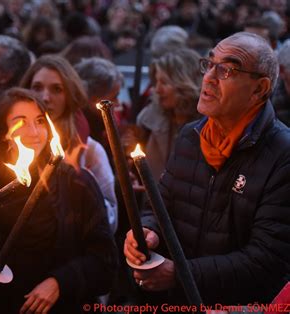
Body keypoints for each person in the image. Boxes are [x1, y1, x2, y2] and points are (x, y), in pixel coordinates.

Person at [124, 32, 290, 305]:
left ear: (259, 89)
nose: (209, 78)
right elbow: (159, 206)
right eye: (209, 64)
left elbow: (266, 259)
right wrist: (147, 232)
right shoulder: (192, 136)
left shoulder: (282, 154)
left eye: (226, 70)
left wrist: (180, 274)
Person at [0, 87, 117, 313]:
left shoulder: (77, 184)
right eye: (20, 122)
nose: (34, 131)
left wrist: (60, 283)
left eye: (40, 120)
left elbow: (105, 261)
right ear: (4, 134)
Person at [20, 55, 118, 233]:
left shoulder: (89, 150)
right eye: (37, 87)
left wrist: (81, 193)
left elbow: (111, 219)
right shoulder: (12, 145)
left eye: (57, 89)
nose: (45, 97)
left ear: (70, 94)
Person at [135, 48, 202, 180]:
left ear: (184, 83)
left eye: (164, 82)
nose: (157, 89)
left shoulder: (210, 123)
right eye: (156, 81)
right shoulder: (148, 120)